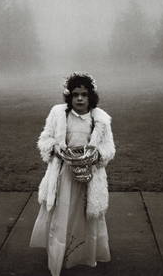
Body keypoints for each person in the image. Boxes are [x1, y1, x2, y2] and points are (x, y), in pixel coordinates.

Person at [29, 72, 115, 276]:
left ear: (90, 97)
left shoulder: (100, 119)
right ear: (69, 96)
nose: (79, 99)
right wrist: (55, 149)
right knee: (62, 213)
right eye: (75, 94)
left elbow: (109, 147)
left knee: (85, 215)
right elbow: (45, 139)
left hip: (89, 177)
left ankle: (84, 254)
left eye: (84, 95)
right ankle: (60, 254)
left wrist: (96, 155)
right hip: (63, 176)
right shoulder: (59, 114)